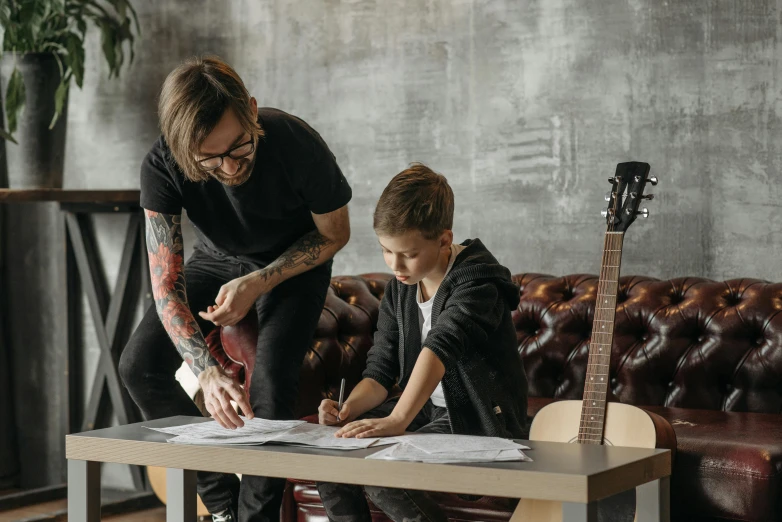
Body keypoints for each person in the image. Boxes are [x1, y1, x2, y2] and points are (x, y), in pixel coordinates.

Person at [118, 56, 352, 522]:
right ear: (183, 148)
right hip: (219, 257)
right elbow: (165, 284)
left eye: (239, 147)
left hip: (295, 260)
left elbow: (334, 233)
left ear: (251, 109)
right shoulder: (162, 165)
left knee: (272, 383)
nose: (228, 167)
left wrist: (259, 281)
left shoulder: (293, 141)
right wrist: (204, 370)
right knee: (138, 367)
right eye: (209, 158)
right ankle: (224, 507)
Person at [316, 164, 528, 522]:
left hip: (476, 418)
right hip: (429, 411)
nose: (395, 265)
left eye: (408, 254)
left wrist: (399, 419)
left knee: (383, 473)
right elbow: (381, 371)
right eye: (386, 250)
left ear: (445, 240)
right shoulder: (401, 287)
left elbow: (440, 346)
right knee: (331, 459)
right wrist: (347, 409)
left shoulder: (477, 283)